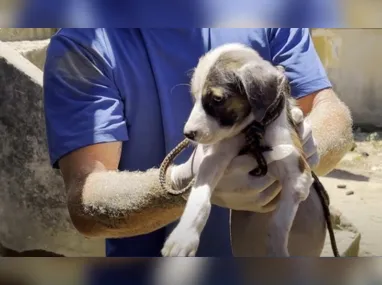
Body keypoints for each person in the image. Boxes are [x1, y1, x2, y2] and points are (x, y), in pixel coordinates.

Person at [43, 28, 353, 283]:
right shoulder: (84, 45)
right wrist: (182, 182)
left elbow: (329, 110)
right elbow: (87, 202)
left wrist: (307, 150)